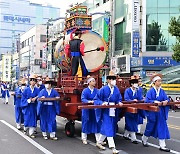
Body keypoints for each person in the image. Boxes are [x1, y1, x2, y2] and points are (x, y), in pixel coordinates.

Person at [94, 71, 122, 154]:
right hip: (106, 110)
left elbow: (118, 98)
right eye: (112, 79)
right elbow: (96, 99)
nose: (114, 81)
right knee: (108, 127)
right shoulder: (103, 89)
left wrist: (119, 102)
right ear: (108, 80)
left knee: (107, 127)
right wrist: (102, 103)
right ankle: (113, 147)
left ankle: (99, 142)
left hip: (113, 110)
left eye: (115, 79)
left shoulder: (116, 89)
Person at [142, 74, 170, 152]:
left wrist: (166, 101)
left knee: (162, 126)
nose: (160, 82)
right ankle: (144, 139)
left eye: (160, 81)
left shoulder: (162, 91)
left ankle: (162, 145)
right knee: (150, 126)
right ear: (154, 82)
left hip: (160, 111)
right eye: (158, 81)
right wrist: (154, 101)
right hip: (152, 112)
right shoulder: (150, 91)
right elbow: (147, 100)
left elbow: (166, 98)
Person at [81, 75, 102, 145]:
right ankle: (84, 138)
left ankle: (98, 140)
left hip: (94, 109)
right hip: (86, 108)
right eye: (93, 81)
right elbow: (83, 99)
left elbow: (99, 98)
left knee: (96, 121)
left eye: (94, 81)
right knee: (86, 121)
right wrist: (88, 101)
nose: (94, 82)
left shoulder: (97, 90)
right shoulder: (85, 90)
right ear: (89, 82)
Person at [123, 76, 144, 144]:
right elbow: (126, 99)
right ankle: (133, 138)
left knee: (134, 122)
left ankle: (125, 135)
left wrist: (142, 100)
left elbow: (140, 98)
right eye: (135, 83)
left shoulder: (138, 90)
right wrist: (132, 100)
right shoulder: (127, 90)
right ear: (131, 84)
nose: (136, 84)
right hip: (129, 108)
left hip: (136, 108)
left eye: (137, 83)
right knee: (130, 122)